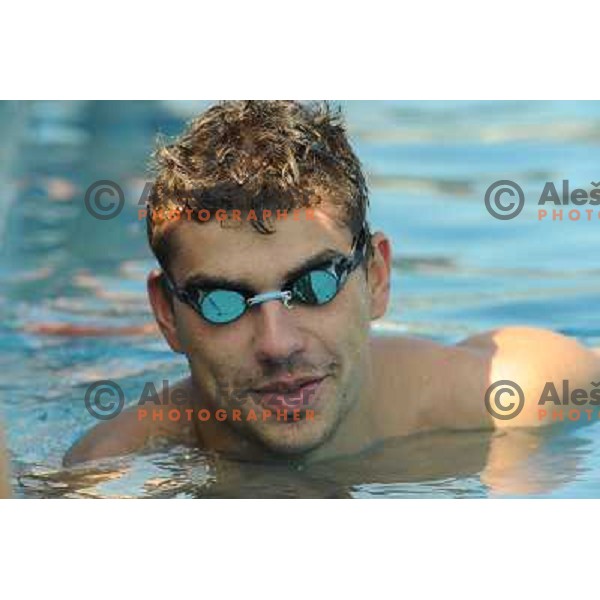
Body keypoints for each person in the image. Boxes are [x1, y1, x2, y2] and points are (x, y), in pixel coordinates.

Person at [64, 100, 600, 467]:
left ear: (377, 276)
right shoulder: (117, 468)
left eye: (314, 286)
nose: (277, 344)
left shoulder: (511, 396)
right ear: (166, 315)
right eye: (222, 302)